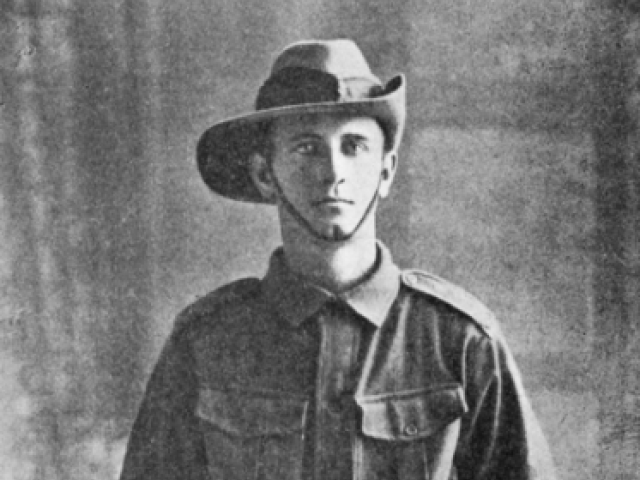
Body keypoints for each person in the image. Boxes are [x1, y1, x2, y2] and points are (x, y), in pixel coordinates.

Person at [119, 39, 557, 480]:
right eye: (307, 148)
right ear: (264, 175)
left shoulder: (458, 340)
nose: (333, 171)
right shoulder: (206, 340)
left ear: (385, 173)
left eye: (353, 146)